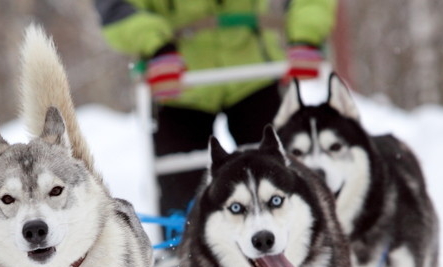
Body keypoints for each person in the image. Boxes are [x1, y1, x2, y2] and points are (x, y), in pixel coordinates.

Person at [95, 0, 337, 218]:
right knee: (181, 203)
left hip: (254, 76)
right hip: (177, 87)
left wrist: (307, 33)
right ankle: (181, 256)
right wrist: (155, 43)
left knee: (283, 185)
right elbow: (114, 7)